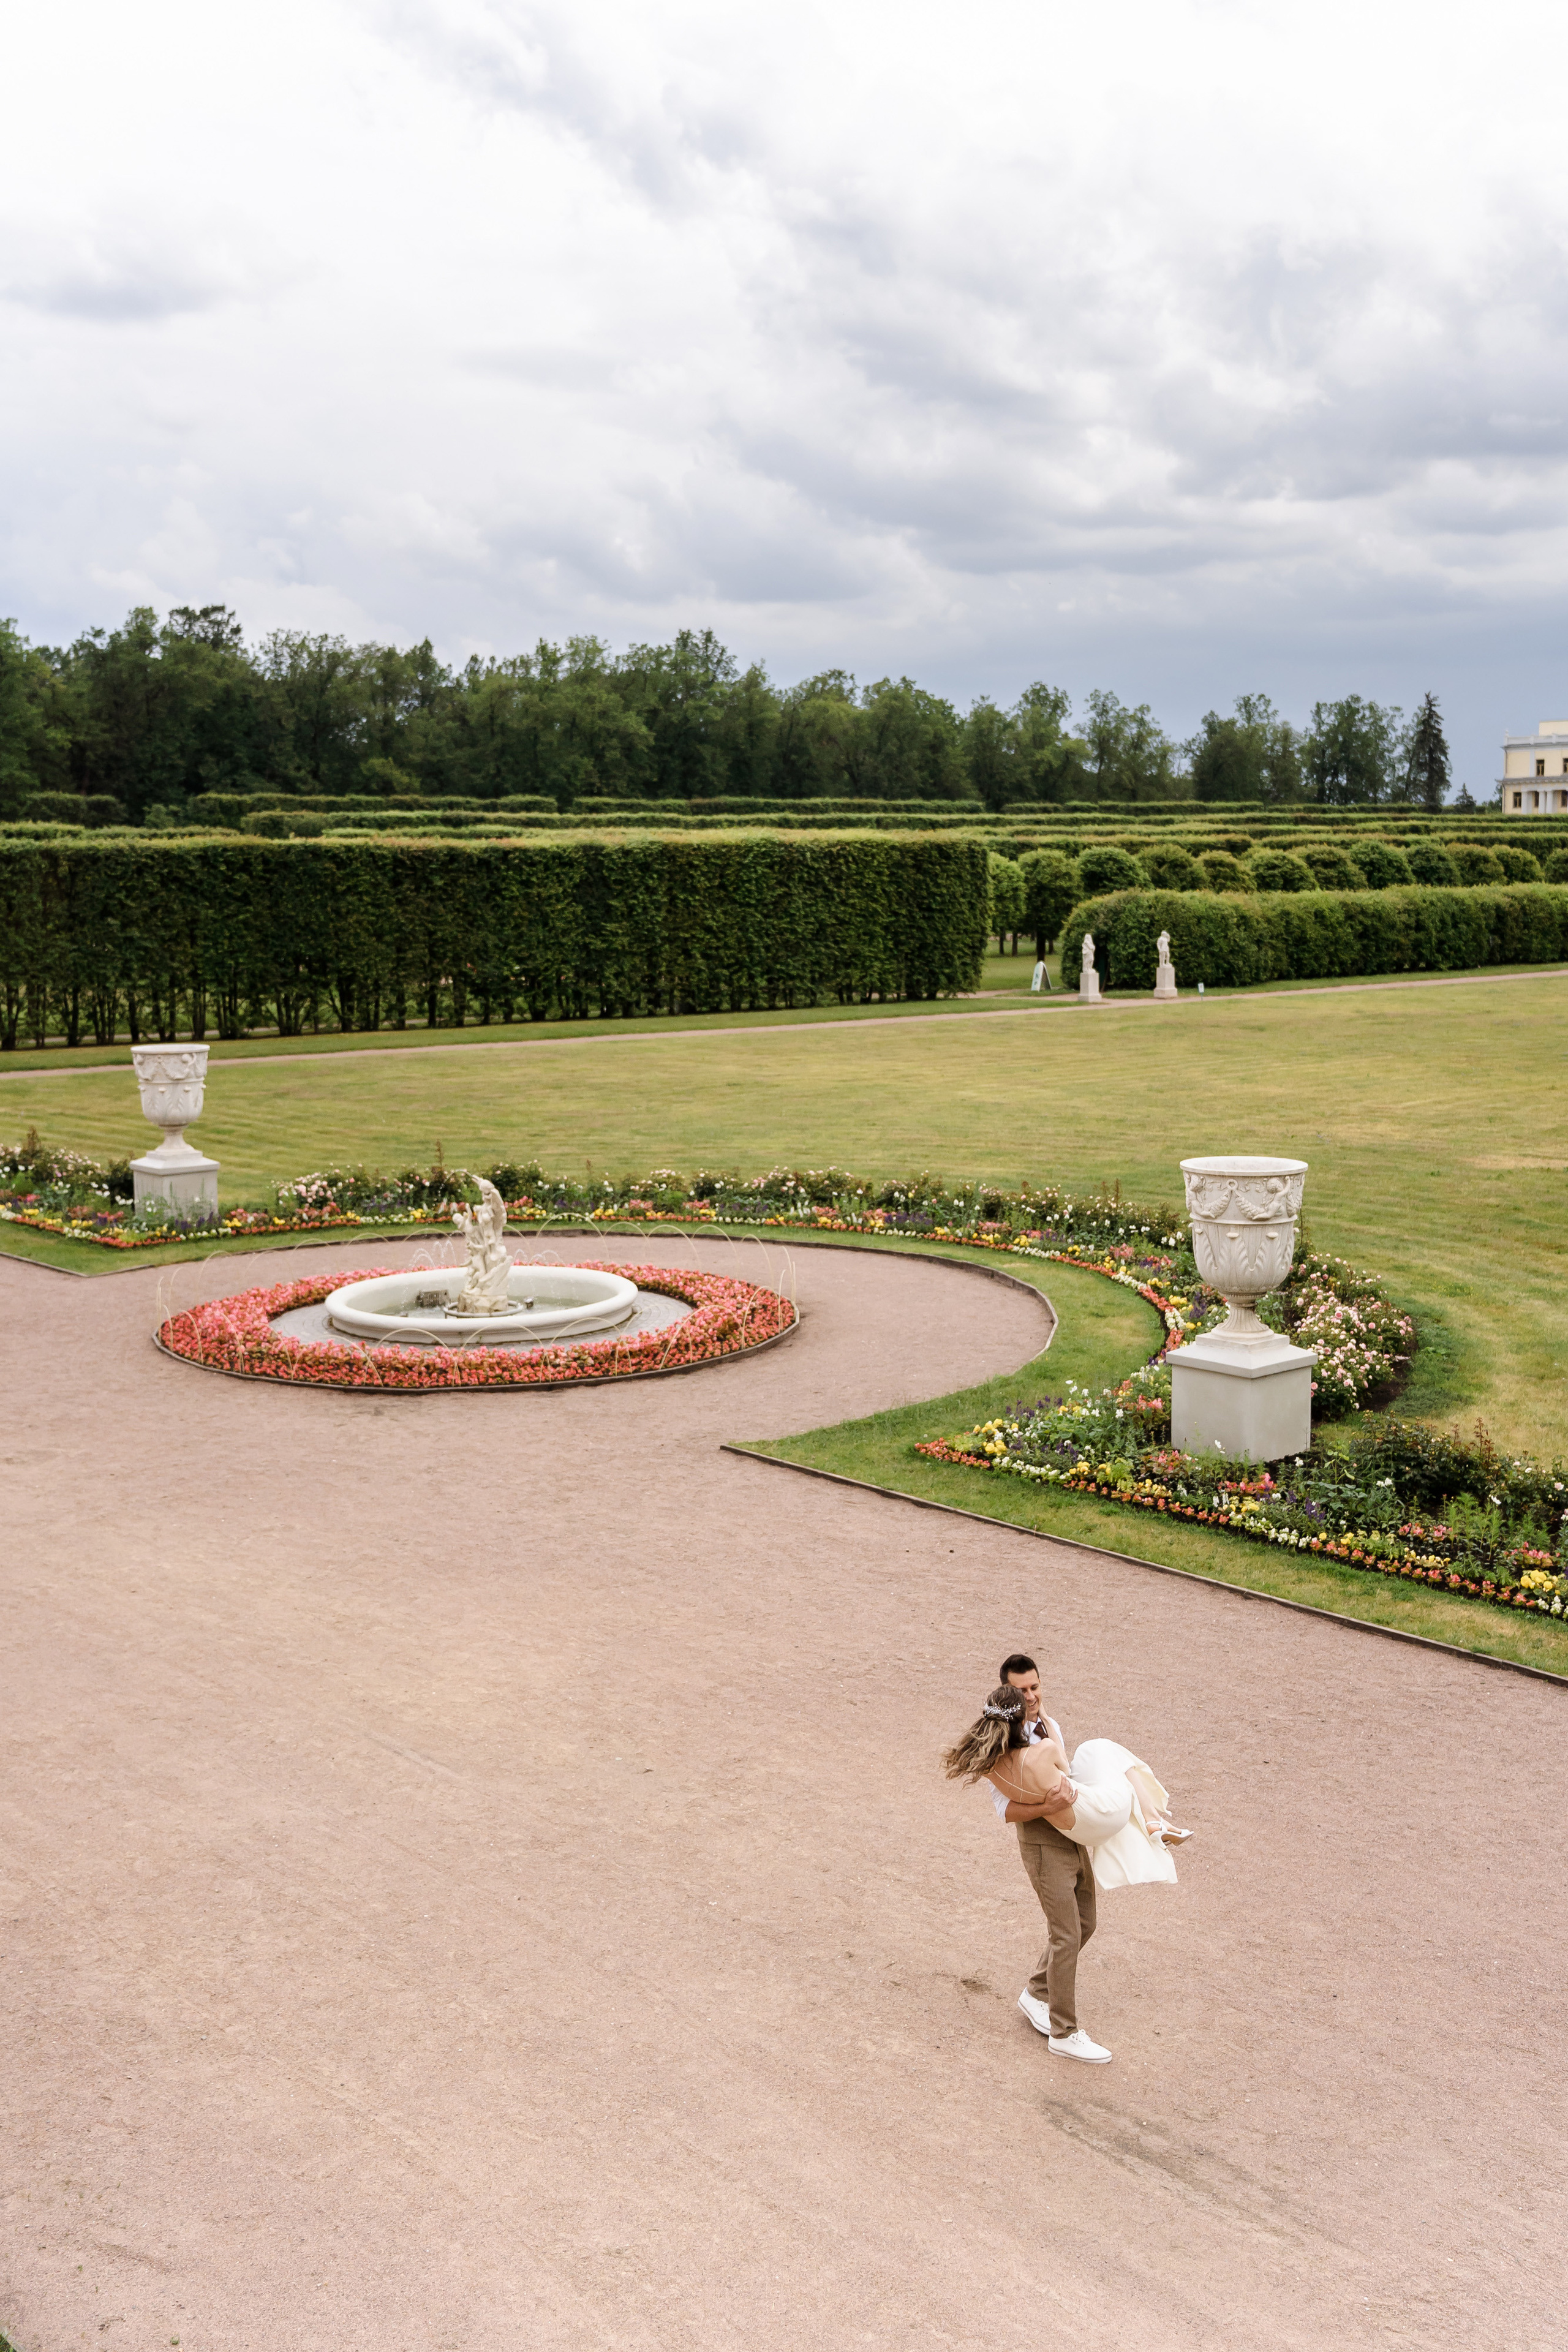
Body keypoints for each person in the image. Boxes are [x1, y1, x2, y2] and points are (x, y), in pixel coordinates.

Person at [943, 1664, 1191, 2065]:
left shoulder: (1047, 1725)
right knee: (1066, 1934)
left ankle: (1037, 1993)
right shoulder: (1001, 1749)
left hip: (1071, 1833)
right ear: (1007, 1694)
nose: (1032, 1696)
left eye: (1035, 1686)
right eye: (1022, 1690)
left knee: (1086, 1923)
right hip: (1043, 1843)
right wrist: (1049, 1805)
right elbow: (1007, 1811)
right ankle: (1065, 2031)